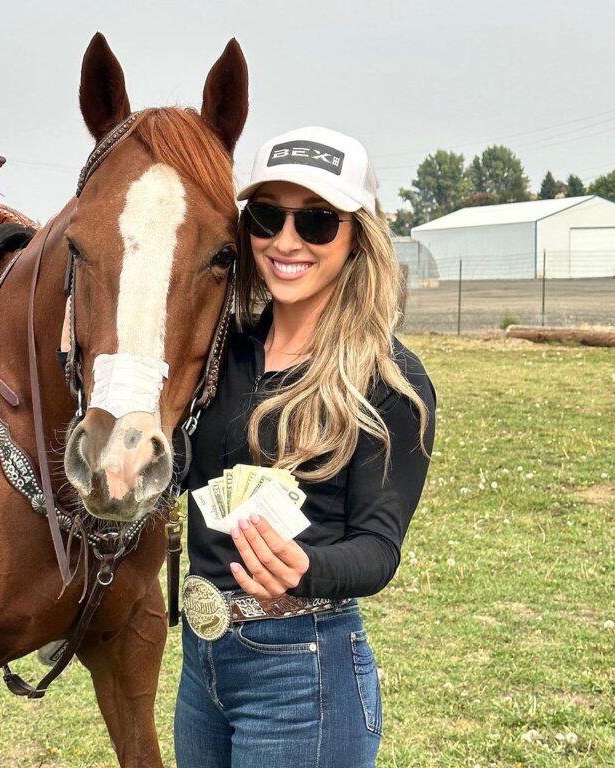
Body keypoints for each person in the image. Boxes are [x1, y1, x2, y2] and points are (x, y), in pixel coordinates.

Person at [174, 126, 436, 768]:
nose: (285, 242)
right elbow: (182, 469)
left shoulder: (388, 380)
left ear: (356, 239)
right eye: (267, 216)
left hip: (304, 671)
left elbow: (377, 549)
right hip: (201, 665)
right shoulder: (219, 354)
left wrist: (305, 570)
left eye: (317, 222)